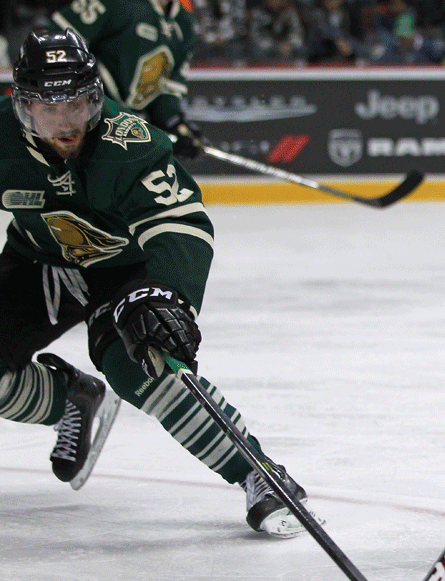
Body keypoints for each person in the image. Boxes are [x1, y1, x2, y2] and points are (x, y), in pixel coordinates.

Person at [0, 28, 318, 538]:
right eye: (50, 107)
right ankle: (71, 402)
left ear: (95, 97)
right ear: (23, 106)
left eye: (78, 103)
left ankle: (259, 474)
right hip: (42, 264)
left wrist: (167, 291)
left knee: (141, 366)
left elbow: (181, 225)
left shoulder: (129, 142)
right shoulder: (1, 140)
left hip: (126, 270)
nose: (66, 122)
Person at [49, 0, 204, 162]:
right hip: (82, 125)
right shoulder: (117, 3)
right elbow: (57, 41)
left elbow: (166, 92)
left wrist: (175, 124)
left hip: (125, 134)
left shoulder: (185, 24)